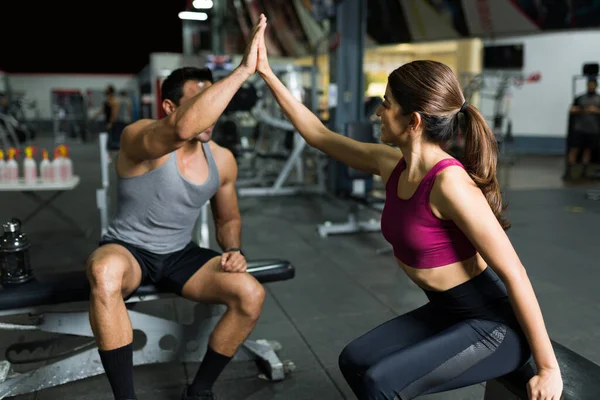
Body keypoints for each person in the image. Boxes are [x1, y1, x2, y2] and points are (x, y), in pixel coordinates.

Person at [255, 23, 563, 400]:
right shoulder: (391, 163)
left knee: (379, 382)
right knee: (355, 360)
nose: (378, 113)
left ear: (413, 121)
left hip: (494, 326)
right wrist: (267, 74)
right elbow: (319, 136)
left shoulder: (451, 184)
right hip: (447, 310)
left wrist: (548, 368)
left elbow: (514, 272)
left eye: (386, 104)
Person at [84, 15, 268, 400]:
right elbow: (182, 130)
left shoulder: (223, 159)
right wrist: (241, 72)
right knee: (103, 271)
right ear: (170, 107)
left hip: (180, 256)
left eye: (213, 102)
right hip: (130, 250)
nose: (212, 113)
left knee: (250, 293)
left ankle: (199, 390)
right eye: (202, 103)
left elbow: (228, 217)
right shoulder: (140, 138)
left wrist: (233, 249)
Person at [564, 78, 600, 180]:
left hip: (593, 129)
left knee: (587, 150)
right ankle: (569, 171)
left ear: (596, 86)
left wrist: (596, 110)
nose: (590, 87)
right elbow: (572, 109)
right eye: (589, 85)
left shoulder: (598, 99)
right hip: (579, 128)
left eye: (592, 85)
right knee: (574, 149)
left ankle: (584, 172)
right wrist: (579, 110)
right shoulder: (580, 98)